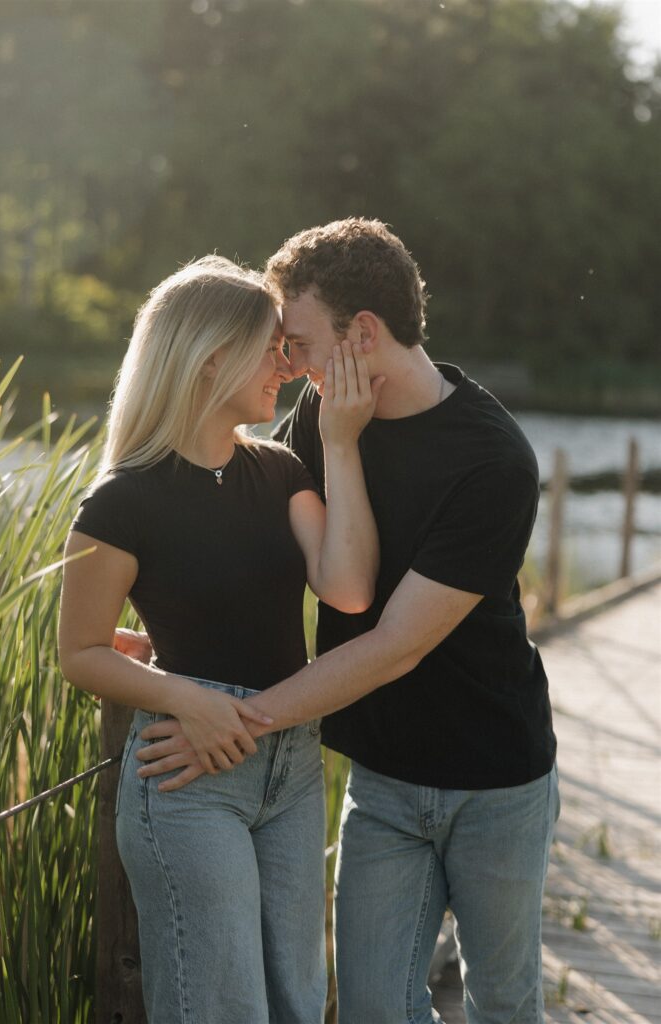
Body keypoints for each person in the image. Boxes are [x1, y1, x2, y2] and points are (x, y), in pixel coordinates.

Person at [136, 220, 559, 1024]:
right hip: (384, 779)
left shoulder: (492, 461)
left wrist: (226, 721)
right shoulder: (318, 420)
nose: (284, 362)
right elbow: (266, 567)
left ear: (362, 333)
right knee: (370, 1010)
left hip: (497, 781)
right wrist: (171, 649)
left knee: (502, 1003)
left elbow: (393, 645)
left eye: (294, 341)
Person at [58, 254, 384, 1024]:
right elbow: (79, 651)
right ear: (210, 361)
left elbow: (348, 588)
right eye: (270, 348)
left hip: (292, 766)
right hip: (187, 776)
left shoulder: (281, 471)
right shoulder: (119, 502)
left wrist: (339, 444)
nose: (286, 364)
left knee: (297, 1003)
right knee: (221, 1008)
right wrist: (184, 697)